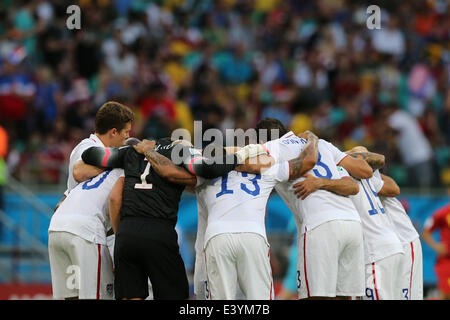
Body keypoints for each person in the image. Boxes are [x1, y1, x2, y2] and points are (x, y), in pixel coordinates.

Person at [81, 138, 267, 299]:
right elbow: (206, 168)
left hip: (126, 233)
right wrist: (242, 155)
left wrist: (128, 150)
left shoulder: (132, 151)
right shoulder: (180, 151)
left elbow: (89, 154)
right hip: (158, 230)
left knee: (130, 295)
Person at [256, 118, 373, 300]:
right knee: (345, 296)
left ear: (261, 141)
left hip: (319, 225)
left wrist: (318, 183)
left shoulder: (271, 148)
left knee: (315, 295)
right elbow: (365, 171)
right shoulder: (323, 144)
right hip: (352, 223)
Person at [48, 101, 134, 300]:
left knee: (72, 296)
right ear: (113, 132)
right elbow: (79, 171)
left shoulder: (101, 151)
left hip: (64, 224)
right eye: (125, 132)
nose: (128, 137)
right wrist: (120, 162)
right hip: (87, 227)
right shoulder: (87, 147)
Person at [379, 174, 423, 300]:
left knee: (407, 295)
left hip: (404, 241)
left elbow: (395, 189)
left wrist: (369, 171)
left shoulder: (369, 178)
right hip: (385, 248)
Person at [422, 203, 450, 300]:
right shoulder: (443, 213)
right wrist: (436, 246)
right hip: (446, 262)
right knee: (446, 295)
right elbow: (426, 231)